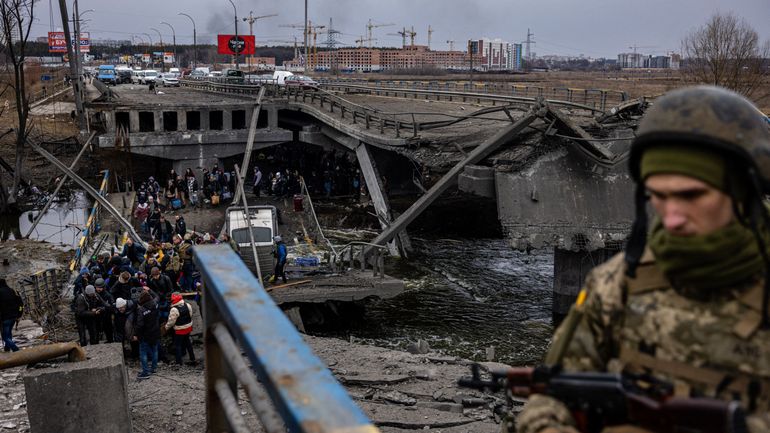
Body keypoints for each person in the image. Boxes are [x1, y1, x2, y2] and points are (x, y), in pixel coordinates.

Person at [516, 86, 770, 433]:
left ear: (746, 188)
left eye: (691, 195)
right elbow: (552, 395)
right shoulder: (615, 286)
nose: (672, 217)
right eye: (658, 196)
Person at [133, 291, 160, 379]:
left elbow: (140, 325)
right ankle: (154, 368)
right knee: (155, 349)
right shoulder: (155, 303)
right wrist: (150, 290)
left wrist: (136, 334)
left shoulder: (141, 310)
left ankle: (145, 372)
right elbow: (157, 296)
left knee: (143, 352)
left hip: (145, 334)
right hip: (155, 331)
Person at [165, 293, 196, 365]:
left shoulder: (174, 309)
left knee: (177, 345)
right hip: (188, 327)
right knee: (188, 343)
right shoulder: (187, 305)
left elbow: (171, 322)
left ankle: (179, 362)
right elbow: (190, 315)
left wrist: (166, 327)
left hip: (179, 330)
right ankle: (192, 358)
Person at [0, 279, 23, 352]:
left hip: (5, 318)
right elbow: (20, 304)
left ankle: (16, 350)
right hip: (14, 317)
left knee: (5, 337)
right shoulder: (12, 291)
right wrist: (19, 314)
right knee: (8, 334)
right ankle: (7, 349)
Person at [94, 278, 115, 343]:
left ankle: (110, 340)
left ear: (103, 287)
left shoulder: (108, 295)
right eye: (97, 287)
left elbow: (112, 306)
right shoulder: (94, 294)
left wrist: (103, 308)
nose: (98, 289)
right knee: (96, 329)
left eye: (100, 287)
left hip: (106, 316)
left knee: (108, 329)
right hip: (96, 315)